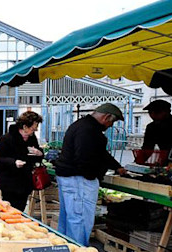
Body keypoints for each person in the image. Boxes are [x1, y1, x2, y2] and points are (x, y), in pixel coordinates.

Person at [55, 103, 128, 246]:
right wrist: (92, 175)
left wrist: (117, 167)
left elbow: (100, 153)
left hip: (69, 177)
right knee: (79, 220)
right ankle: (78, 248)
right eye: (111, 122)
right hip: (79, 180)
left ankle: (64, 247)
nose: (110, 126)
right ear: (106, 117)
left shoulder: (82, 125)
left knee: (69, 218)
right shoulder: (89, 130)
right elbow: (84, 158)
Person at [0, 111, 44, 211]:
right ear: (25, 127)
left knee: (20, 209)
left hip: (25, 182)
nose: (35, 130)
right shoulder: (7, 138)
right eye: (33, 128)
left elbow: (37, 157)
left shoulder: (32, 139)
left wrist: (39, 153)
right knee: (9, 209)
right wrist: (14, 162)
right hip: (9, 182)